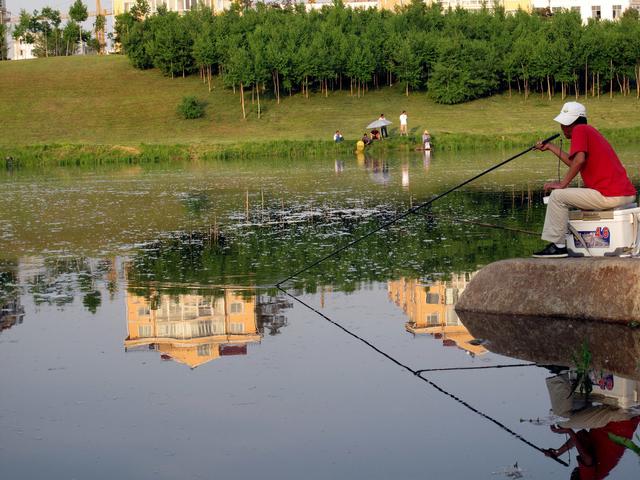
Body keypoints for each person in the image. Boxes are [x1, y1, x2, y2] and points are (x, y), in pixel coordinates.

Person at [532, 101, 636, 258]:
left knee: (557, 196)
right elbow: (575, 161)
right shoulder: (587, 131)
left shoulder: (580, 130)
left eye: (565, 124)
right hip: (624, 194)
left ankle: (558, 246)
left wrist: (562, 184)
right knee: (563, 196)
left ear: (574, 122)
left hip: (610, 195)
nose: (562, 127)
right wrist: (551, 147)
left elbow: (579, 161)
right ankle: (562, 243)